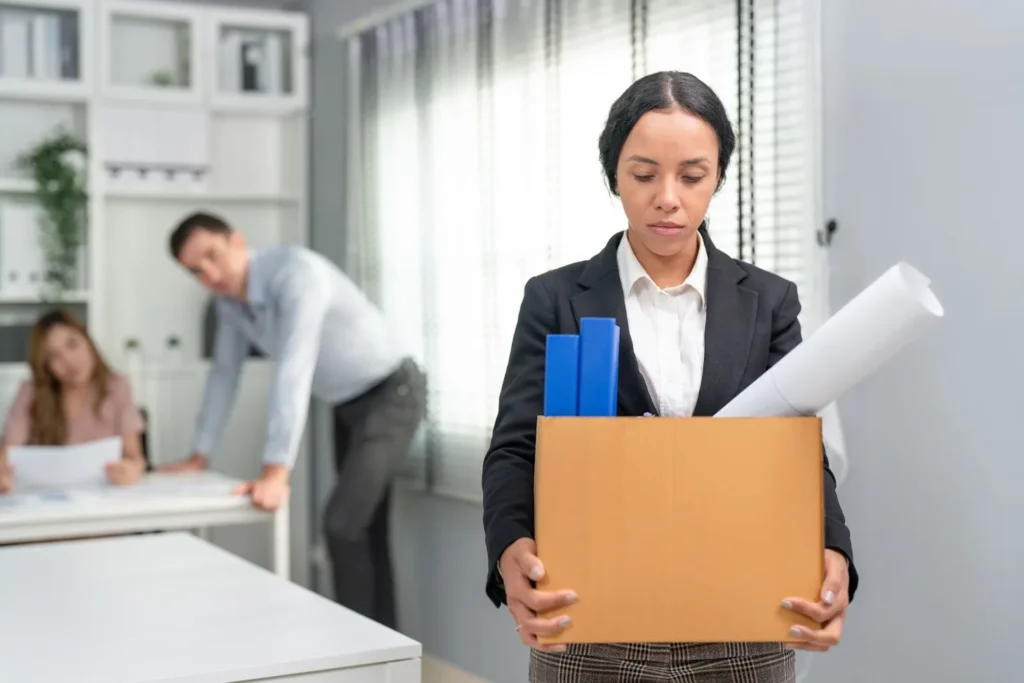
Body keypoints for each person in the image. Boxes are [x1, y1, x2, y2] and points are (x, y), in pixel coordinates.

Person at [480, 71, 859, 682]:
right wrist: (509, 548)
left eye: (692, 175)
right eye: (644, 174)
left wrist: (834, 551)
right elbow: (517, 448)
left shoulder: (771, 302)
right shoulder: (554, 298)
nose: (668, 197)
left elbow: (798, 450)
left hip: (741, 626)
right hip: (592, 624)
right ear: (614, 177)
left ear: (717, 178)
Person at [159, 212, 426, 629]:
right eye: (196, 270)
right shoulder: (229, 303)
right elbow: (224, 374)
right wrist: (199, 453)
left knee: (341, 524)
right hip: (346, 403)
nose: (209, 274)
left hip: (392, 394)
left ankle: (358, 655)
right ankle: (384, 657)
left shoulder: (297, 275)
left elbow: (294, 368)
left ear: (237, 241)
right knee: (362, 529)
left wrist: (275, 471)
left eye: (212, 255)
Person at [0, 309, 146, 493]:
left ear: (87, 340)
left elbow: (134, 457)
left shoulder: (117, 386)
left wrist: (131, 470)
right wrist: (3, 475)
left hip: (105, 498)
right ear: (46, 366)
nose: (69, 360)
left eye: (72, 344)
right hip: (47, 501)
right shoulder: (30, 392)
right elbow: (8, 453)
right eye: (54, 356)